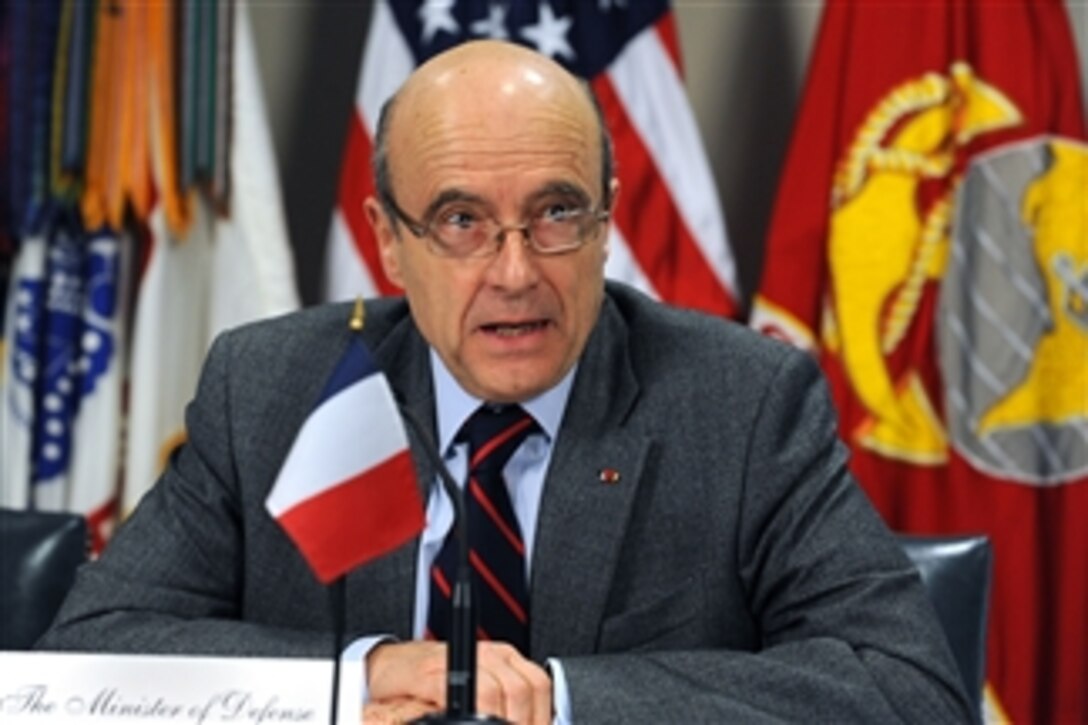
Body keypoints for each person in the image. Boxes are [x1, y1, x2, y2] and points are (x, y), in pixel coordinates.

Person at [39, 40, 972, 724]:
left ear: (608, 226)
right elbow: (90, 652)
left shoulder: (741, 403)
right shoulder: (276, 387)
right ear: (388, 243)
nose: (516, 271)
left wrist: (564, 699)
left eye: (556, 213)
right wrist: (358, 675)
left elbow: (906, 687)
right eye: (459, 221)